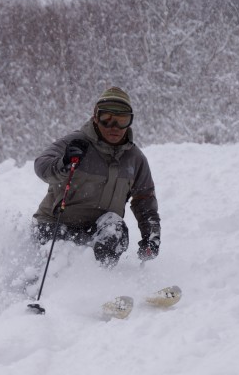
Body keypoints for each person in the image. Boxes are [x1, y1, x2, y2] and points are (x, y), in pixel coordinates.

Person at [32, 87, 160, 268]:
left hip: (95, 232)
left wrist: (151, 236)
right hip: (55, 226)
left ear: (129, 122)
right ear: (95, 116)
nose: (114, 127)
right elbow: (41, 165)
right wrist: (64, 162)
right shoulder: (76, 143)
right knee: (57, 266)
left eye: (122, 120)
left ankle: (100, 285)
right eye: (107, 119)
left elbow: (145, 200)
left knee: (115, 227)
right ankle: (38, 290)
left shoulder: (135, 159)